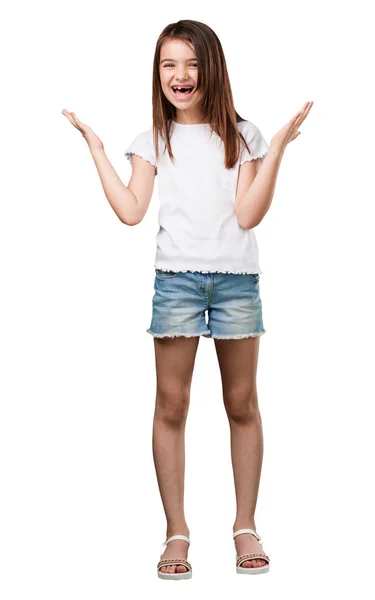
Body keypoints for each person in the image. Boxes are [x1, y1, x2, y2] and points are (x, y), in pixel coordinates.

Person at [62, 19, 313, 580]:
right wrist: (98, 150)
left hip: (235, 282)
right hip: (175, 281)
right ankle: (176, 533)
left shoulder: (243, 136)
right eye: (169, 64)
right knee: (171, 406)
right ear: (158, 74)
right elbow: (131, 210)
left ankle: (244, 525)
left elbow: (248, 215)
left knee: (241, 402)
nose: (180, 75)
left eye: (192, 64)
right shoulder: (151, 140)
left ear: (212, 69)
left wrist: (275, 152)